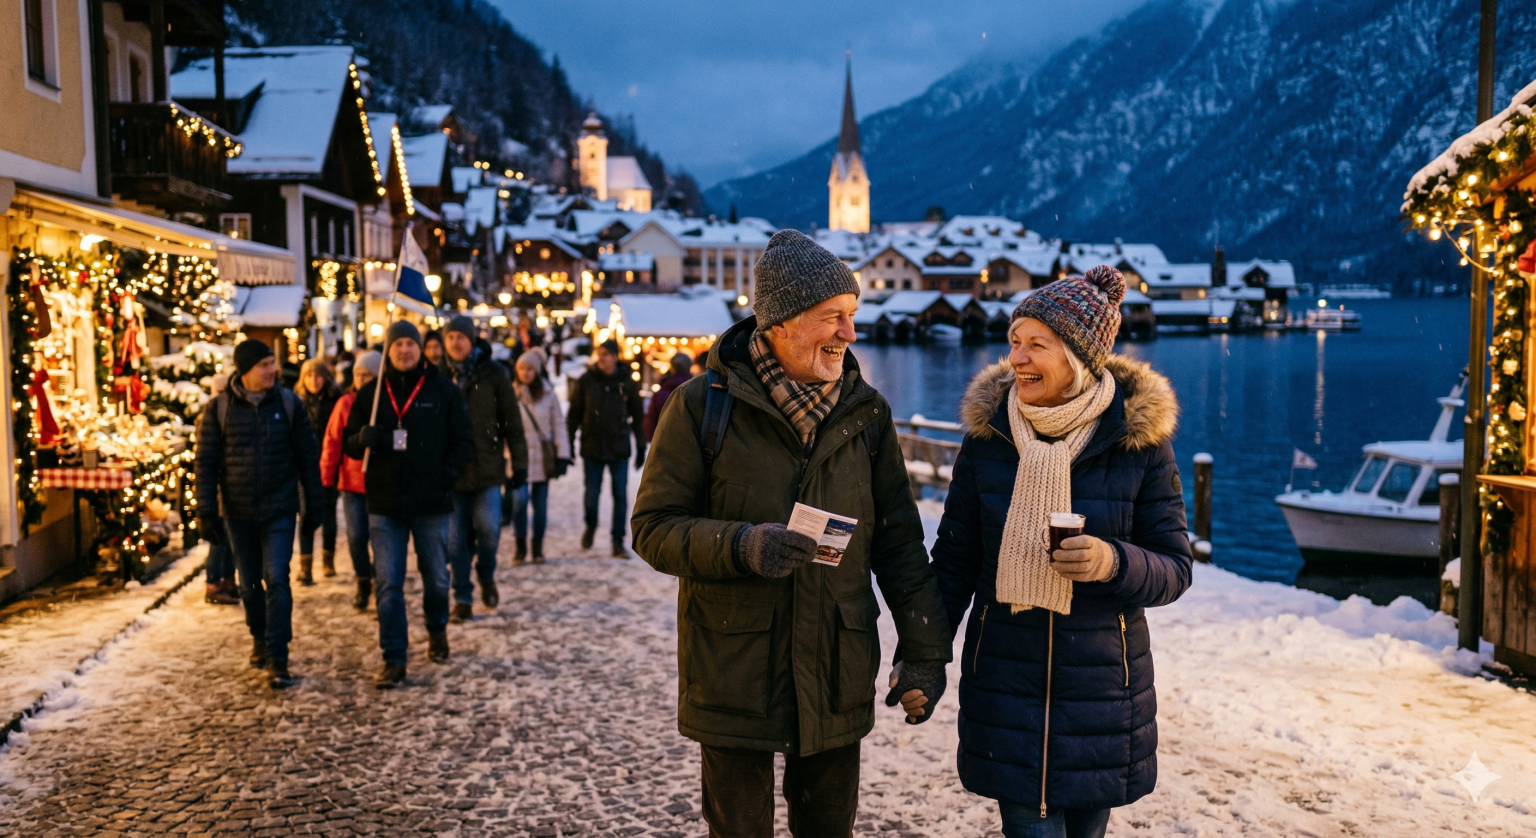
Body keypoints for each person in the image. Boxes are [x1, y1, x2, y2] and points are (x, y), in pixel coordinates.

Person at [632, 229, 952, 836]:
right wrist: (743, 546)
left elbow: (900, 545)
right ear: (778, 322)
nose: (849, 335)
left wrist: (926, 653)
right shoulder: (701, 407)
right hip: (733, 665)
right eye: (833, 317)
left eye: (852, 317)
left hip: (836, 663)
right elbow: (653, 529)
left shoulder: (868, 414)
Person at [931, 266, 1192, 838]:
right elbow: (953, 562)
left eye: (1036, 346)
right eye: (1014, 342)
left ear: (1077, 356)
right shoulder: (990, 441)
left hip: (1100, 698)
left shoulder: (1138, 444)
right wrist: (926, 657)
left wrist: (1113, 562)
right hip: (1005, 688)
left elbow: (1174, 568)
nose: (1017, 358)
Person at [344, 321, 474, 689]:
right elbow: (348, 443)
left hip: (431, 502)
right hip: (385, 503)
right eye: (397, 344)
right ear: (388, 349)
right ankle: (394, 658)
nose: (404, 350)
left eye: (410, 344)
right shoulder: (371, 394)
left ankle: (436, 631)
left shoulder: (442, 390)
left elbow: (463, 441)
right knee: (388, 585)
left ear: (420, 349)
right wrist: (363, 437)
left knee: (436, 578)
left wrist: (444, 475)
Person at [195, 339, 323, 689]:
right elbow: (205, 463)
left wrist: (316, 503)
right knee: (250, 585)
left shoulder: (289, 404)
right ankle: (259, 636)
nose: (272, 370)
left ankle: (278, 655)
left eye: (272, 363)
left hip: (280, 508)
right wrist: (206, 511)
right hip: (237, 512)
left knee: (277, 578)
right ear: (245, 370)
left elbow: (307, 459)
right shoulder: (218, 410)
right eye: (264, 365)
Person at [442, 315, 527, 622]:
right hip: (450, 474)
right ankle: (462, 597)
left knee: (489, 531)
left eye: (460, 337)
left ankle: (486, 574)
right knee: (454, 542)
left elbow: (512, 425)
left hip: (487, 469)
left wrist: (519, 466)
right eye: (450, 337)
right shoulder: (439, 376)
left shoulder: (494, 374)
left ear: (472, 339)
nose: (455, 342)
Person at [568, 338, 645, 557]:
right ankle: (591, 526)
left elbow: (637, 416)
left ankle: (617, 540)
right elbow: (574, 415)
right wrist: (569, 444)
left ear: (615, 357)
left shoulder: (627, 382)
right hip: (592, 446)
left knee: (620, 495)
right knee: (592, 495)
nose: (601, 358)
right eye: (599, 354)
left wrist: (640, 446)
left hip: (618, 446)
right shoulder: (586, 381)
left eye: (606, 354)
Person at [320, 350, 381, 611]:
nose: (362, 379)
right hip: (352, 482)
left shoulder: (385, 403)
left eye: (368, 375)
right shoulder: (345, 403)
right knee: (357, 536)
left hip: (381, 483)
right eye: (358, 374)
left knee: (381, 537)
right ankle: (363, 578)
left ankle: (381, 580)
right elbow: (332, 442)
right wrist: (326, 478)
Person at [511, 348, 569, 564]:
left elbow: (559, 424)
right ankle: (519, 547)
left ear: (537, 371)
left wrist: (563, 453)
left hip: (543, 460)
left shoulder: (548, 394)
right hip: (519, 459)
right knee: (519, 502)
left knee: (540, 507)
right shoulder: (511, 394)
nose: (525, 373)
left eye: (529, 369)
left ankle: (537, 548)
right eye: (521, 369)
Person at [295, 358, 341, 584]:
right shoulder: (297, 402)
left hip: (330, 464)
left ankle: (328, 560)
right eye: (309, 376)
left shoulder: (335, 400)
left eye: (318, 375)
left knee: (328, 512)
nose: (314, 381)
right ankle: (305, 566)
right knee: (306, 514)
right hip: (306, 466)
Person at [202, 372, 239, 606]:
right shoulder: (212, 413)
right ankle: (213, 583)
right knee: (219, 540)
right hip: (217, 487)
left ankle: (227, 579)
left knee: (229, 539)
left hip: (229, 486)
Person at [642, 352, 692, 443]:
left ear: (672, 368)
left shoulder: (661, 393)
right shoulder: (698, 390)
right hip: (691, 446)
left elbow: (651, 422)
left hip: (665, 444)